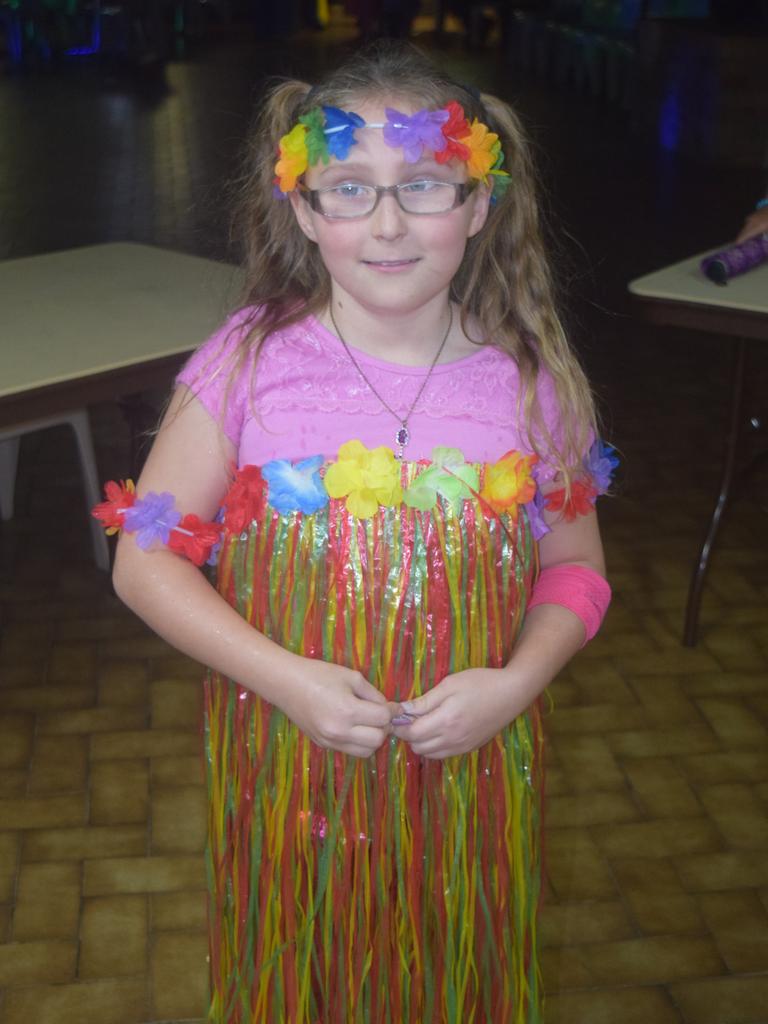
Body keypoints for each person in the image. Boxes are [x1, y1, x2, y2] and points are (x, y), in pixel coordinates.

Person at [96, 41, 615, 1023]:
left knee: (452, 961)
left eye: (425, 185)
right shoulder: (244, 367)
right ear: (304, 207)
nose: (387, 222)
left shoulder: (533, 388)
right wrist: (287, 679)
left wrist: (519, 682)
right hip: (292, 759)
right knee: (307, 967)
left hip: (469, 763)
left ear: (479, 204)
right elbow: (147, 551)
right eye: (349, 188)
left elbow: (578, 571)